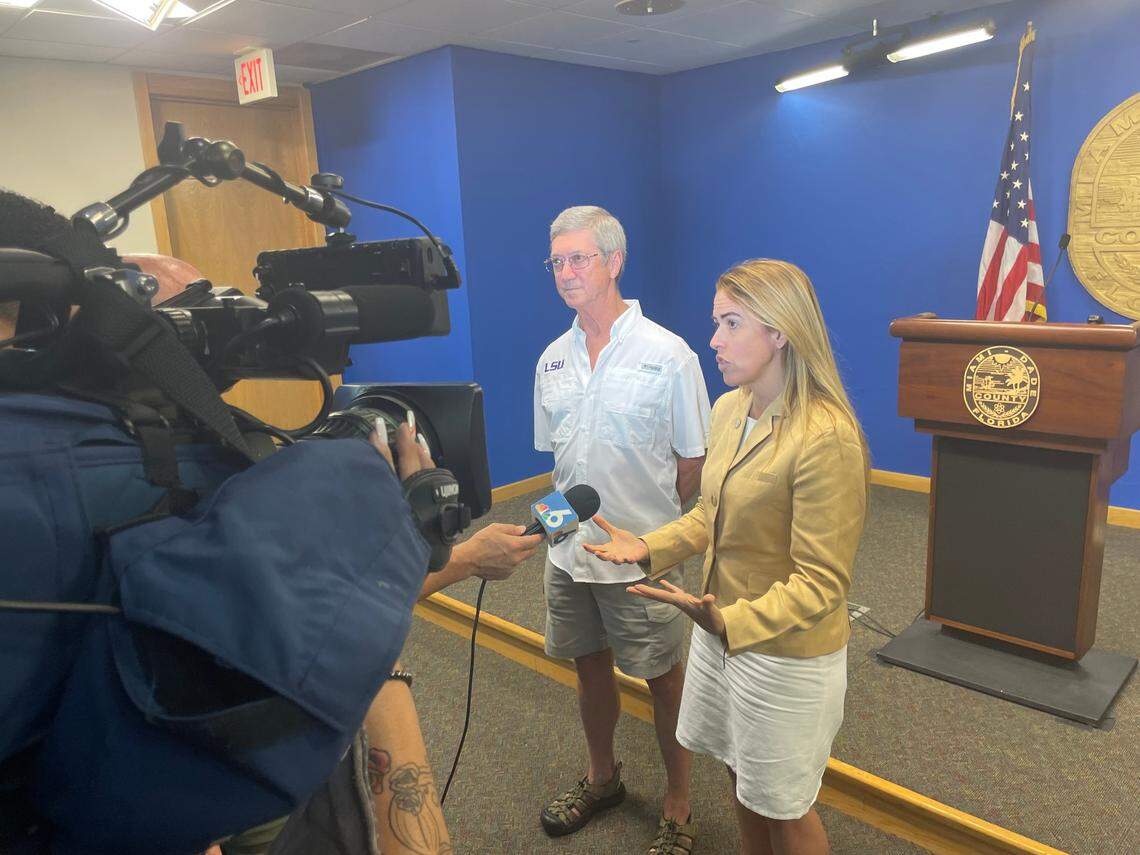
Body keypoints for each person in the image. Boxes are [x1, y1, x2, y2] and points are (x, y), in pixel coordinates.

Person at [586, 259, 869, 855]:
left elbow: (822, 584)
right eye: (716, 322)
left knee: (785, 807)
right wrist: (647, 546)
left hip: (783, 651)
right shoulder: (730, 409)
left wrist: (728, 621)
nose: (714, 339)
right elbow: (706, 516)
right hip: (721, 635)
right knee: (742, 779)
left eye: (731, 323)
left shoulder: (825, 436)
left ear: (780, 331)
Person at [533, 205, 711, 853]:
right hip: (568, 555)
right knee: (588, 668)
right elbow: (561, 467)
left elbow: (692, 464)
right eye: (557, 261)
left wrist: (654, 530)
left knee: (664, 678)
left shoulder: (670, 355)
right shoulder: (552, 360)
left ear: (614, 261)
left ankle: (679, 801)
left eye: (578, 258)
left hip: (640, 558)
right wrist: (548, 532)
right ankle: (603, 777)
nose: (566, 272)